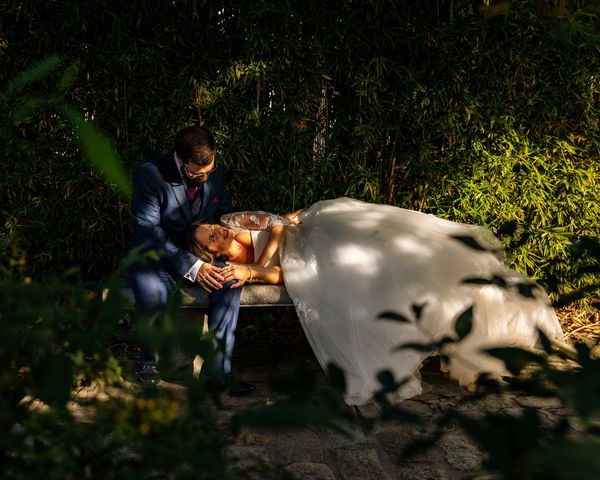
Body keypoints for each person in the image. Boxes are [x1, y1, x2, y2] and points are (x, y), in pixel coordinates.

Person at [187, 198, 564, 405]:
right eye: (212, 238)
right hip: (304, 258)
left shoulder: (235, 219)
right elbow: (284, 274)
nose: (219, 231)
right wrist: (258, 269)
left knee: (393, 248)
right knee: (367, 273)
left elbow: (277, 222)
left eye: (213, 227)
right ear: (210, 253)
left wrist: (257, 267)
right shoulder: (232, 264)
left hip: (316, 227)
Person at [126, 125, 254, 396]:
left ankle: (218, 373)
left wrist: (238, 245)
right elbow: (150, 233)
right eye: (198, 173)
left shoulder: (213, 172)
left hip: (203, 252)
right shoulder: (149, 175)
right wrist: (193, 267)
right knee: (154, 293)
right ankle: (149, 362)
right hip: (157, 255)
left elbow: (224, 213)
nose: (206, 178)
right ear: (181, 160)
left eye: (210, 171)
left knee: (229, 278)